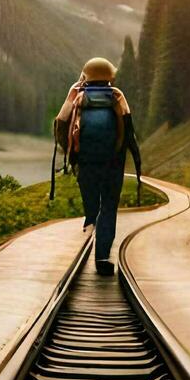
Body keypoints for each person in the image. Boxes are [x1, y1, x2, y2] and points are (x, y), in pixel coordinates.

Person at [54, 57, 143, 276]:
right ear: (109, 76)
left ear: (86, 75)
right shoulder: (117, 97)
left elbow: (60, 125)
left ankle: (90, 223)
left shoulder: (76, 96)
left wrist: (71, 155)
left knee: (92, 204)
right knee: (109, 206)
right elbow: (129, 133)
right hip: (113, 163)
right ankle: (102, 256)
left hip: (85, 162)